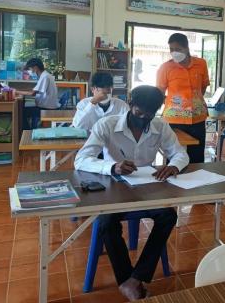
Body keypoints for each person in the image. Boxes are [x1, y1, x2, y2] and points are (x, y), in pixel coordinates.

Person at [74, 86, 189, 301]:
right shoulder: (106, 125)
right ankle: (127, 279)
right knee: (106, 222)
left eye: (149, 114)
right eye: (139, 113)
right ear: (130, 103)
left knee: (168, 216)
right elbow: (81, 160)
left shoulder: (160, 126)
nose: (143, 118)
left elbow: (180, 153)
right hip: (114, 188)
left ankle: (135, 279)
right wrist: (111, 166)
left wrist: (174, 165)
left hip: (147, 189)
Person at [157, 33, 210, 163]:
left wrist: (194, 101)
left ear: (186, 48)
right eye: (171, 49)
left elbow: (203, 87)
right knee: (174, 156)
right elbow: (159, 93)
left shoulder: (201, 64)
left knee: (197, 157)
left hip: (197, 117)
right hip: (174, 119)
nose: (174, 52)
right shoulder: (166, 67)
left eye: (178, 49)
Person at [16, 58, 60, 130]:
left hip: (47, 109)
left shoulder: (45, 77)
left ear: (35, 68)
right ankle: (27, 130)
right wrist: (19, 90)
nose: (30, 71)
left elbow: (32, 93)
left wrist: (16, 91)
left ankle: (27, 131)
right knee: (23, 109)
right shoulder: (44, 75)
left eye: (30, 68)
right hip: (46, 106)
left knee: (20, 112)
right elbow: (34, 90)